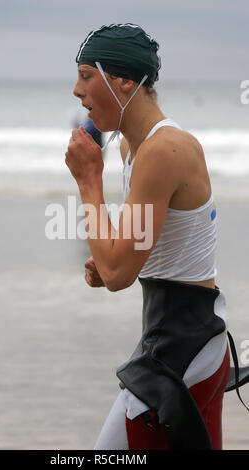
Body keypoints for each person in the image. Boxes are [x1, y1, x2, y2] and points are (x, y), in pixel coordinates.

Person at [65, 23, 248, 450]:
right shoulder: (135, 148)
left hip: (180, 350)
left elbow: (117, 276)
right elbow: (141, 247)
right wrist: (112, 256)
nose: (76, 90)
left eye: (87, 76)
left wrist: (89, 179)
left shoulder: (163, 152)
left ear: (125, 81)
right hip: (191, 340)